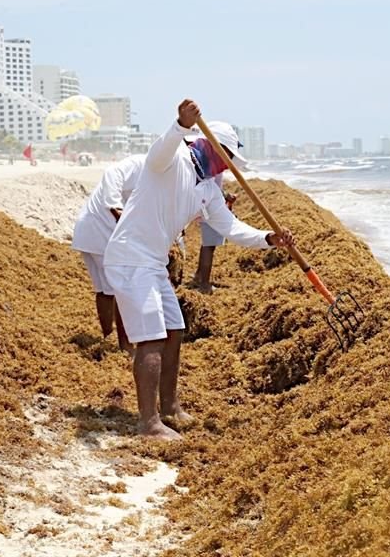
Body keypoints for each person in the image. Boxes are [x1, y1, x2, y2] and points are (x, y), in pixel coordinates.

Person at [103, 99, 295, 441]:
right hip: (130, 257)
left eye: (231, 161)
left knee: (175, 330)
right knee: (151, 338)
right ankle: (148, 424)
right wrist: (180, 124)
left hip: (154, 262)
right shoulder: (171, 161)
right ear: (205, 144)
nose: (227, 165)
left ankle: (170, 406)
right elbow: (159, 152)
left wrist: (269, 238)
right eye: (226, 156)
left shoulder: (208, 188)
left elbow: (230, 227)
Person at [71, 154, 145, 353]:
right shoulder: (143, 164)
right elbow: (113, 172)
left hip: (89, 228)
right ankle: (125, 347)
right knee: (122, 288)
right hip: (101, 228)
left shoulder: (160, 174)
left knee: (105, 289)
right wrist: (115, 208)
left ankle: (108, 337)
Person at [189, 176, 237, 294]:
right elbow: (209, 184)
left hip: (208, 205)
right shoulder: (215, 164)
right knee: (209, 246)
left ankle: (199, 275)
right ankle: (204, 284)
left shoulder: (214, 163)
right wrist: (226, 195)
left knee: (207, 243)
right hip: (210, 208)